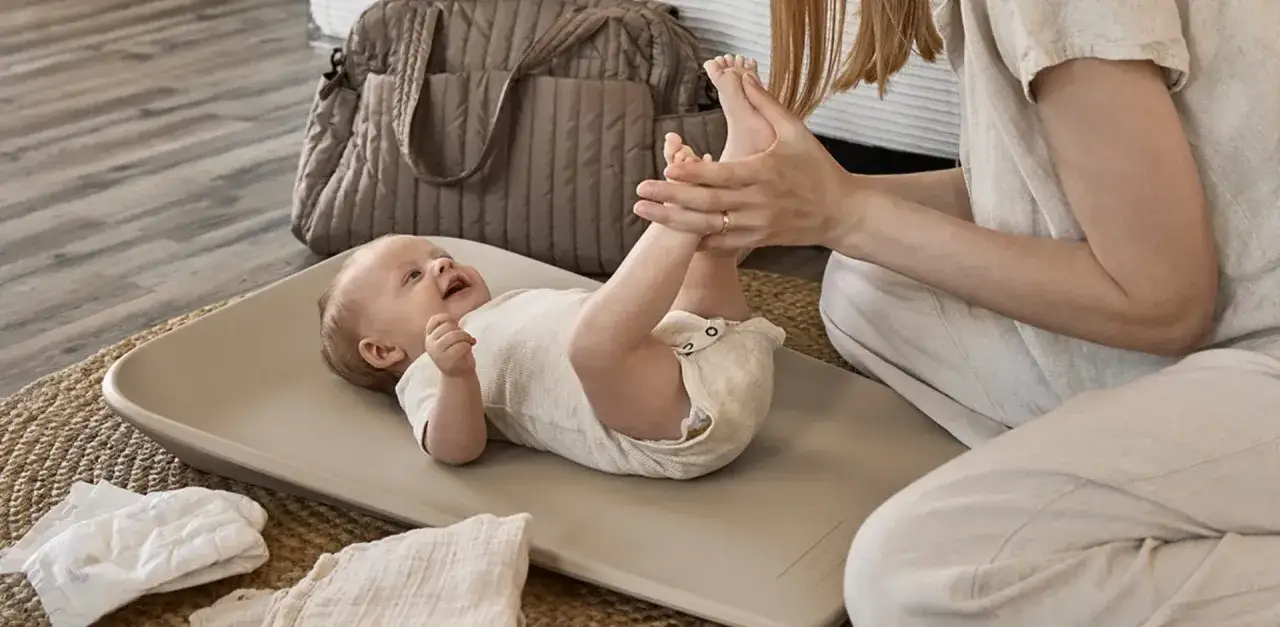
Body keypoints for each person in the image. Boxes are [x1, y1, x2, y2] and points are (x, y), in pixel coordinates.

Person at [634, 0, 1280, 624]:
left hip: (1246, 337)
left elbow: (1166, 308)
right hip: (1235, 289)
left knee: (916, 579)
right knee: (869, 282)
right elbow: (1048, 188)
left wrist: (840, 213)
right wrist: (815, 204)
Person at [315, 56, 786, 480]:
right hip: (675, 422)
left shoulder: (506, 306)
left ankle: (734, 164)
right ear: (381, 351)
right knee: (591, 344)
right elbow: (454, 450)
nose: (439, 263)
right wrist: (456, 376)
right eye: (413, 276)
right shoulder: (427, 374)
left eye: (437, 256)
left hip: (713, 350)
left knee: (699, 271)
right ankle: (686, 211)